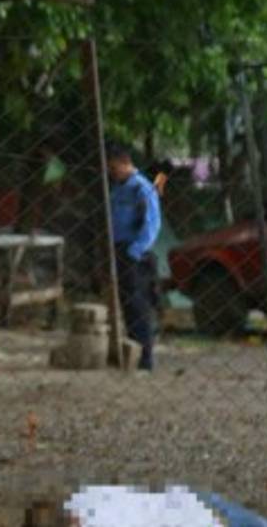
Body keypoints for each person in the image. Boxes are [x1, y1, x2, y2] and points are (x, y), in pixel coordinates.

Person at [107, 143, 161, 370]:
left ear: (125, 163)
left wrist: (135, 251)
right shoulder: (118, 188)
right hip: (119, 249)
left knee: (139, 306)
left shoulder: (142, 188)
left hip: (135, 254)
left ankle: (145, 358)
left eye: (113, 168)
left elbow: (152, 224)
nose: (112, 173)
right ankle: (133, 354)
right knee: (127, 305)